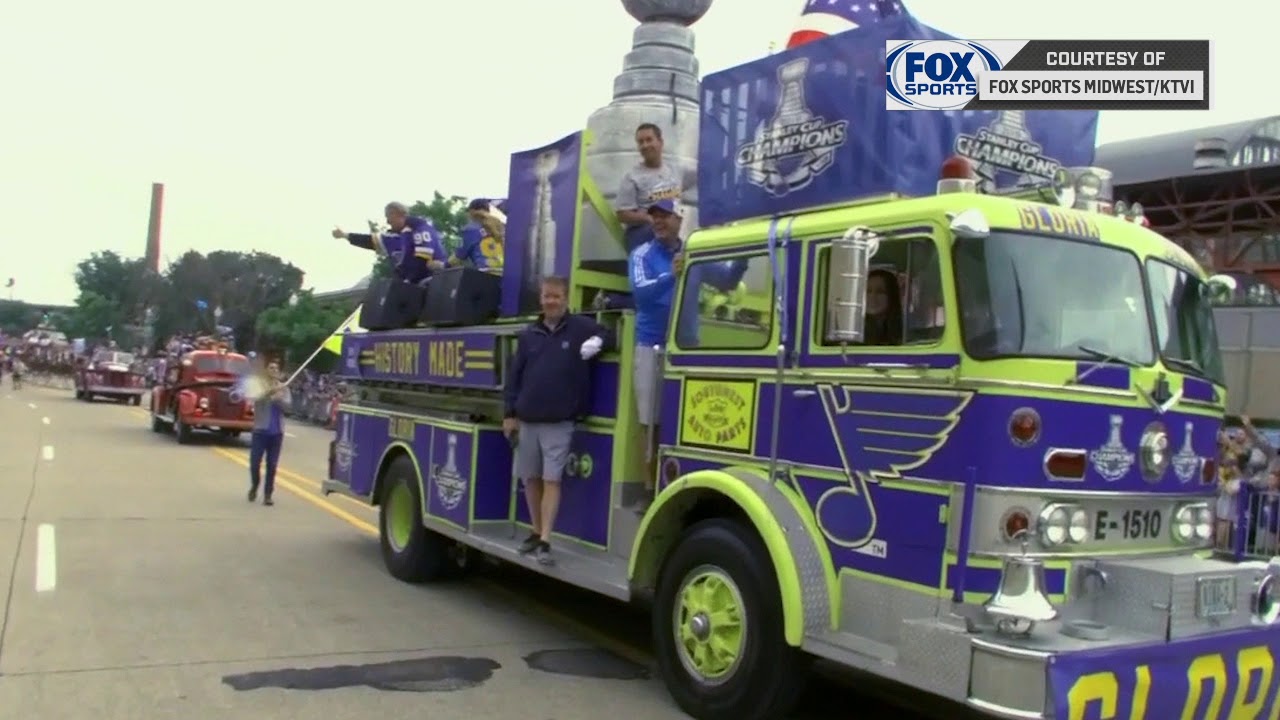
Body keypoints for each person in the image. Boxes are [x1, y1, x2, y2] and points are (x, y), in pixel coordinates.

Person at [629, 199, 747, 505]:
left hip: (688, 348)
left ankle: (680, 486)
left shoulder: (694, 251)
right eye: (654, 215)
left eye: (665, 215)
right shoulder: (641, 253)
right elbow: (641, 293)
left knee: (688, 420)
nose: (659, 221)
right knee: (650, 422)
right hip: (650, 347)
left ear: (680, 218)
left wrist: (744, 250)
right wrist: (672, 273)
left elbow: (727, 281)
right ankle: (648, 488)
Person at [502, 276, 612, 565]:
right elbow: (514, 378)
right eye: (547, 296)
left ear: (566, 299)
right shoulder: (529, 335)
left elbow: (607, 332)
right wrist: (509, 415)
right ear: (541, 299)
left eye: (557, 296)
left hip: (560, 422)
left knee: (552, 480)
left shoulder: (580, 328)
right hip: (527, 420)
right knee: (531, 478)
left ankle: (547, 540)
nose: (551, 301)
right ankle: (536, 532)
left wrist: (598, 340)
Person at [332, 202, 447, 285]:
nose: (387, 222)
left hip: (430, 281)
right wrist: (345, 235)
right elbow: (368, 241)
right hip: (409, 287)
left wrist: (408, 281)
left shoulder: (420, 228)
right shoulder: (391, 238)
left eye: (388, 217)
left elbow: (422, 259)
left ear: (397, 214)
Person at [615, 123, 688, 252]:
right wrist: (649, 218)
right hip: (645, 234)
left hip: (672, 234)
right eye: (640, 142)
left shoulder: (676, 171)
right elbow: (622, 214)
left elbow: (705, 173)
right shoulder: (632, 177)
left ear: (660, 142)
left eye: (649, 140)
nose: (645, 145)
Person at [245, 357, 292, 506]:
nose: (274, 371)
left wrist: (279, 399)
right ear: (266, 371)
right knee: (254, 463)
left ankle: (268, 494)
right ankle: (254, 485)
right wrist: (271, 393)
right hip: (260, 430)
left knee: (272, 465)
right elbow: (254, 397)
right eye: (271, 368)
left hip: (277, 432)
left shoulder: (284, 388)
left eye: (276, 369)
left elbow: (289, 408)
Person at [451, 199, 505, 273]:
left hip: (485, 274)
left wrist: (444, 264)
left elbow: (459, 256)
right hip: (505, 275)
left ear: (471, 212)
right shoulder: (501, 226)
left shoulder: (469, 229)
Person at [863, 269, 904, 345]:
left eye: (880, 292)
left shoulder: (904, 330)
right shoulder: (853, 330)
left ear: (891, 295)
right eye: (868, 291)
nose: (873, 297)